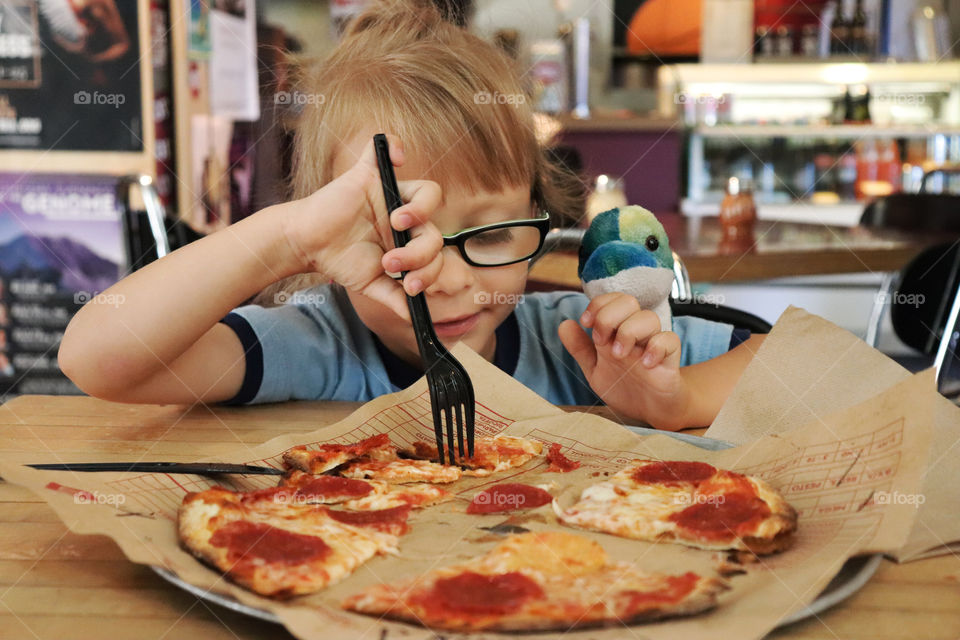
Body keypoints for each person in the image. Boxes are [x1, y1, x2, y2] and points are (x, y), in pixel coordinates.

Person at [58, 0, 764, 431]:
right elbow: (98, 361)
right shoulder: (320, 345)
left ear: (536, 218)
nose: (450, 280)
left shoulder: (579, 343)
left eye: (488, 235)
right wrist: (284, 237)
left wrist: (676, 402)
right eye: (399, 236)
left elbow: (807, 358)